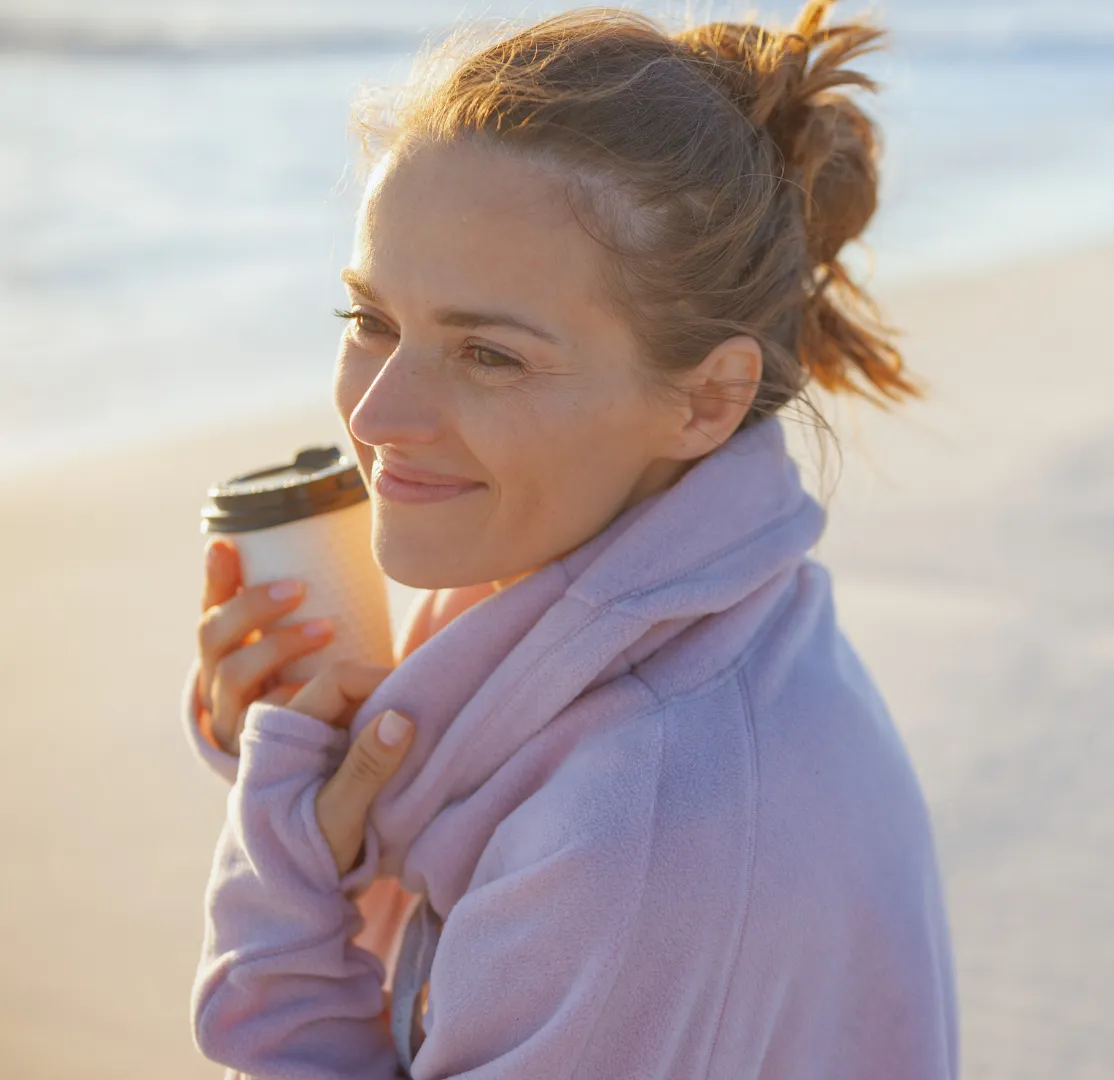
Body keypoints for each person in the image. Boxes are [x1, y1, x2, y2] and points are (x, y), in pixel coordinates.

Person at [181, 2, 958, 1077]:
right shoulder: (672, 618)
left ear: (706, 400)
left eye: (489, 355)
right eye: (371, 322)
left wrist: (283, 894)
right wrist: (326, 785)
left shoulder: (633, 824)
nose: (377, 414)